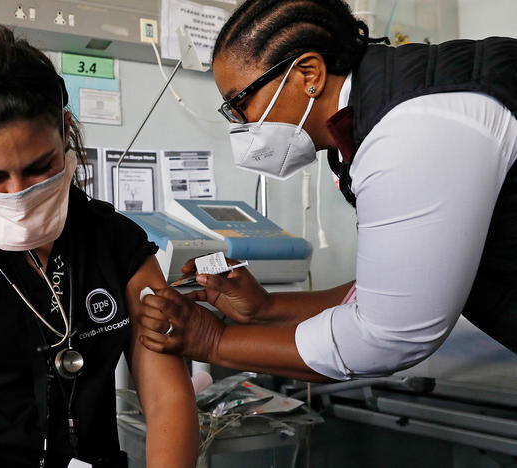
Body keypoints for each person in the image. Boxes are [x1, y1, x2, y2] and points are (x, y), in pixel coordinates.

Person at [137, 0, 517, 382]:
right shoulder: (378, 111)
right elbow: (404, 287)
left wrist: (213, 341)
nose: (240, 124)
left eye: (240, 103)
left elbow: (387, 336)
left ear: (308, 74)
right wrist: (266, 308)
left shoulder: (413, 130)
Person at [0, 25, 199, 468]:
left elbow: (167, 398)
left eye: (39, 167)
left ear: (65, 131)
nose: (18, 192)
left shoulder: (118, 243)